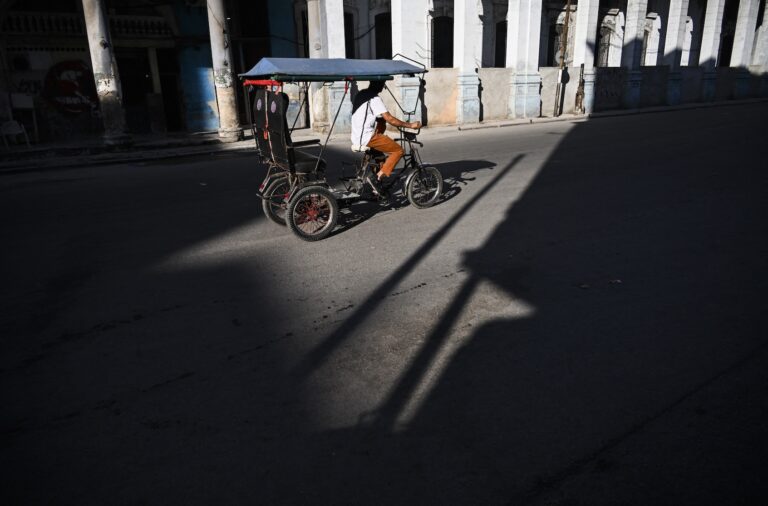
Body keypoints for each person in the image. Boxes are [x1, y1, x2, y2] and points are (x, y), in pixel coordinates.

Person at [350, 80, 421, 196]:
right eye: (383, 85)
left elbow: (378, 118)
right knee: (398, 151)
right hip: (367, 137)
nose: (383, 87)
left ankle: (375, 178)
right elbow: (390, 119)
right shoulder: (374, 98)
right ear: (381, 85)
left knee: (380, 156)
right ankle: (376, 179)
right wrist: (411, 125)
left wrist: (382, 122)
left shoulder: (362, 93)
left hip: (356, 136)